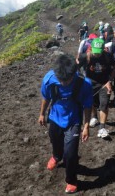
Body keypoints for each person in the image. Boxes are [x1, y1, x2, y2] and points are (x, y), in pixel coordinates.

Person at [38, 54, 93, 194]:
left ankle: (71, 180)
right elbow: (46, 97)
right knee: (54, 139)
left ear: (74, 73)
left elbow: (88, 106)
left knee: (70, 153)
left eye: (67, 80)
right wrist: (42, 114)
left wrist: (86, 126)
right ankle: (56, 156)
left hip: (73, 120)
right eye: (61, 79)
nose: (63, 83)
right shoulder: (49, 79)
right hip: (55, 117)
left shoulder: (84, 83)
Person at [77, 38, 115, 139]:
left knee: (104, 104)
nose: (97, 55)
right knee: (93, 103)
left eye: (99, 53)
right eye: (95, 52)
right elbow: (76, 66)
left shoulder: (108, 56)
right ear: (91, 49)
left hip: (104, 83)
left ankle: (102, 127)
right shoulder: (86, 56)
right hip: (90, 83)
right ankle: (94, 117)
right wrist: (82, 79)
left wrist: (110, 80)